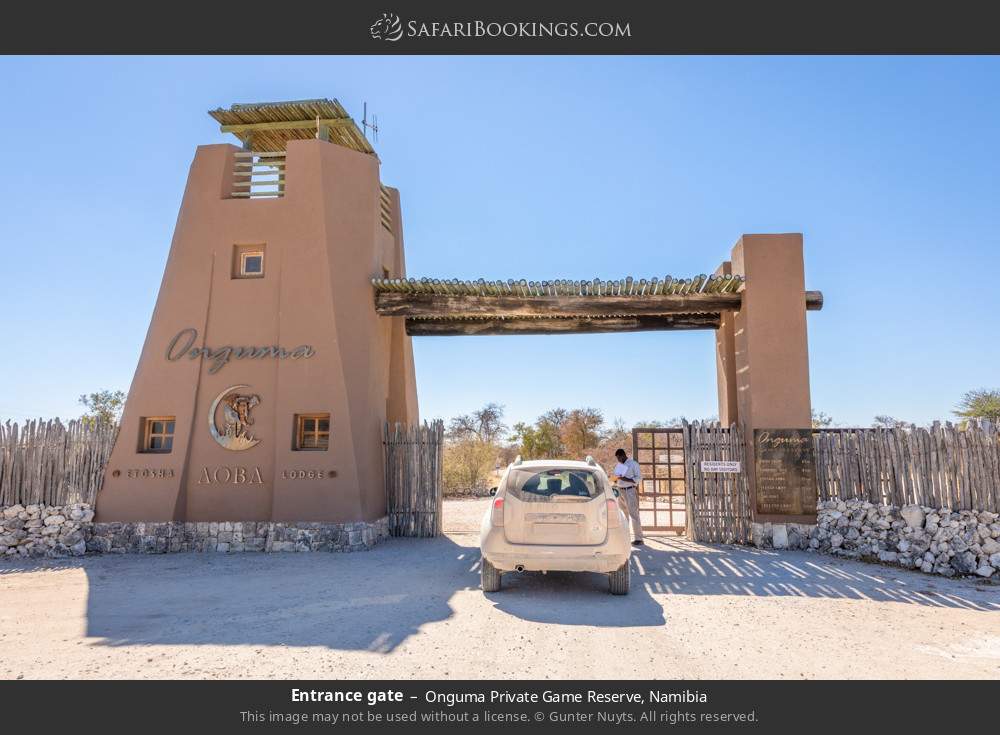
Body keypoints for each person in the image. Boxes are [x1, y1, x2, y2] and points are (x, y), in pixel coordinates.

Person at [612, 448, 644, 545]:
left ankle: (639, 538)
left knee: (633, 514)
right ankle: (625, 537)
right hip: (620, 491)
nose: (618, 460)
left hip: (630, 490)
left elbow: (638, 479)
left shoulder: (633, 464)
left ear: (623, 455)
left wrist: (625, 478)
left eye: (618, 458)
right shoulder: (619, 465)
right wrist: (615, 479)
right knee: (623, 515)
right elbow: (616, 478)